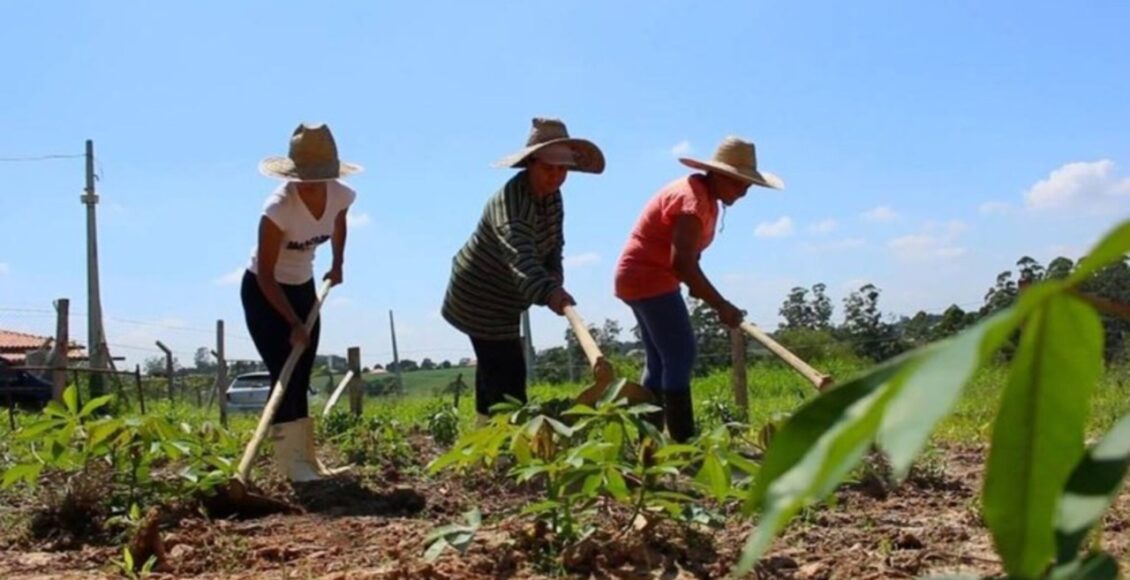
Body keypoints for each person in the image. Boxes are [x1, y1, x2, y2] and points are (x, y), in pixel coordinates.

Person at [614, 136, 784, 442]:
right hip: (649, 276)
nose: (743, 192)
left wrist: (698, 288)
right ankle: (684, 445)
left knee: (660, 360)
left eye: (748, 186)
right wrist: (721, 304)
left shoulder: (706, 198)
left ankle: (648, 445)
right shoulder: (692, 200)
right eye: (738, 183)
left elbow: (690, 257)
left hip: (640, 276)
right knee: (681, 354)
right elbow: (682, 263)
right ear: (718, 174)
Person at [442, 117, 605, 422]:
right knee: (509, 377)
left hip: (507, 299)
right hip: (478, 295)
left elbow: (554, 243)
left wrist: (555, 274)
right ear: (530, 163)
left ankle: (482, 438)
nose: (555, 177)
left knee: (494, 366)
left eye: (562, 169)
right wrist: (551, 293)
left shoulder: (553, 197)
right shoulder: (510, 207)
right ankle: (508, 452)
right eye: (548, 168)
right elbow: (523, 261)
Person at [242, 123, 359, 482]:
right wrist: (293, 322)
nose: (310, 183)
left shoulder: (340, 194)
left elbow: (339, 223)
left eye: (317, 176)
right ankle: (291, 467)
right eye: (304, 176)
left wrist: (337, 263)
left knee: (302, 370)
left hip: (303, 286)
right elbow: (264, 275)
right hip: (265, 292)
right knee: (284, 372)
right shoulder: (277, 209)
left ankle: (309, 462)